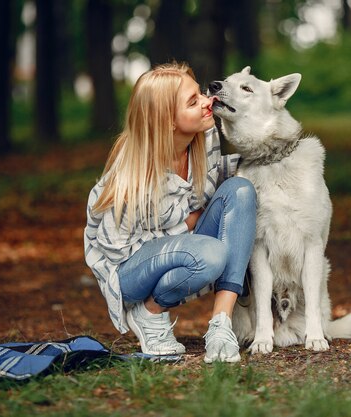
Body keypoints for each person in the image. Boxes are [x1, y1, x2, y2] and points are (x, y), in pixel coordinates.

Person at [84, 62, 257, 363]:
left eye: (199, 94)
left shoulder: (206, 136)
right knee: (210, 252)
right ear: (167, 122)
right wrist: (193, 222)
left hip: (182, 248)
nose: (208, 101)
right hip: (127, 271)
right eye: (193, 102)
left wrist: (268, 161)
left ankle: (220, 325)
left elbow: (218, 185)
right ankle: (149, 312)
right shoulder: (134, 169)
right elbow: (116, 251)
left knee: (241, 190)